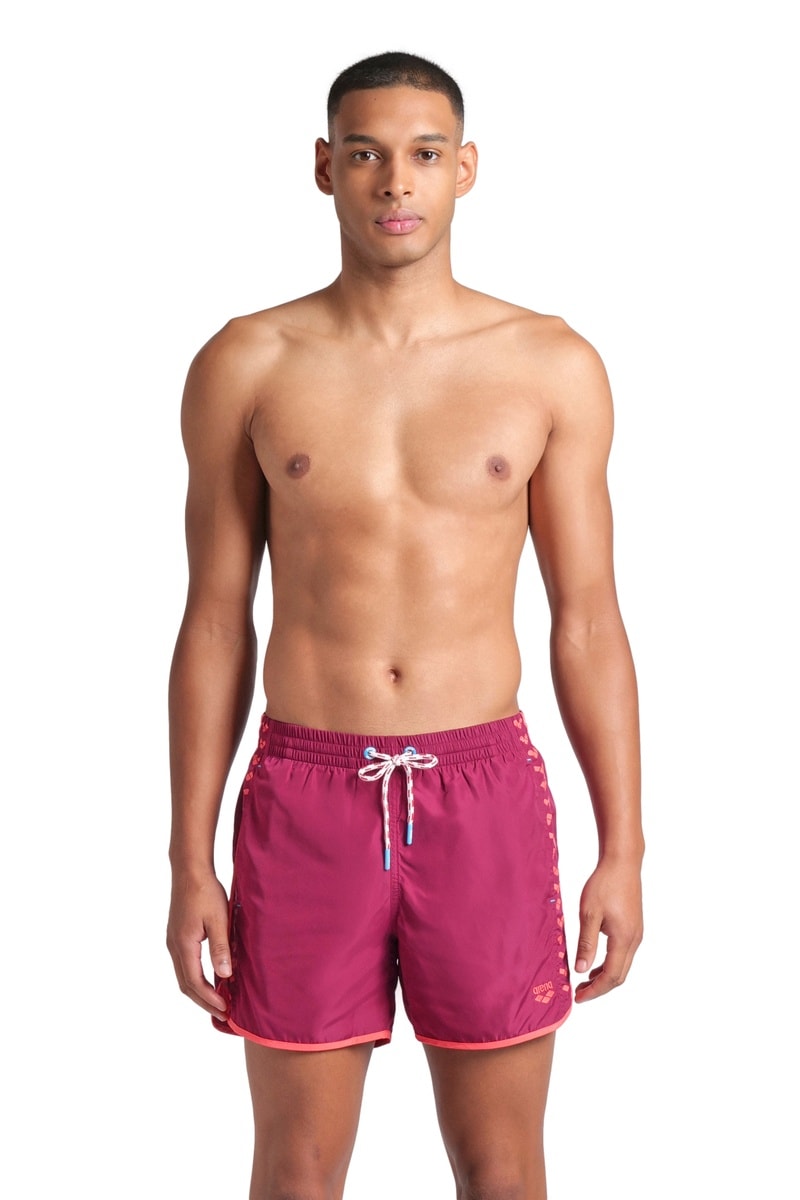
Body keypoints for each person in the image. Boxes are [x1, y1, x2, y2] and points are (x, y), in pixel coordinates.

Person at [166, 50, 644, 1200]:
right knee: (294, 1170)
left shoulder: (547, 364)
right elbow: (215, 623)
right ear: (322, 167)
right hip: (306, 794)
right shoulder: (246, 361)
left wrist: (622, 849)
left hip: (480, 793)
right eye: (366, 154)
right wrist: (188, 858)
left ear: (463, 169)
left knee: (501, 1168)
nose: (395, 181)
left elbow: (586, 622)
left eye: (423, 154)